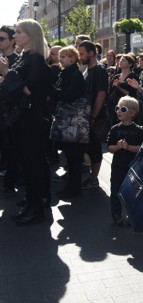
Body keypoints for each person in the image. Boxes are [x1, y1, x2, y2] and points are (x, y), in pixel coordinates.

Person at [0, 19, 54, 225]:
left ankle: (36, 208)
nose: (15, 36)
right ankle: (34, 202)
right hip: (25, 119)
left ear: (30, 35)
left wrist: (7, 74)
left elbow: (33, 92)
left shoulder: (35, 60)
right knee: (30, 162)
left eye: (19, 32)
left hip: (32, 119)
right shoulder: (27, 58)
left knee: (33, 163)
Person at [48, 45, 87, 199]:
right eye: (60, 57)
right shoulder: (67, 72)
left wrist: (50, 90)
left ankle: (74, 189)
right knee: (70, 157)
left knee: (74, 157)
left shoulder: (74, 74)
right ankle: (71, 187)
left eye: (63, 57)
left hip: (72, 120)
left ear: (72, 58)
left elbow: (69, 95)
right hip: (68, 120)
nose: (60, 59)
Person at [106, 96, 143, 225]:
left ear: (132, 113)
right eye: (117, 108)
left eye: (123, 109)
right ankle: (116, 214)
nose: (118, 111)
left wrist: (127, 147)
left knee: (132, 192)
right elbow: (109, 148)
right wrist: (118, 146)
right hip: (117, 166)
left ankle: (130, 215)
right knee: (115, 190)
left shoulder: (138, 130)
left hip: (133, 167)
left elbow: (141, 149)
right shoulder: (114, 129)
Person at [77, 40, 108, 190]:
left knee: (95, 148)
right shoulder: (87, 69)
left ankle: (94, 179)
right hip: (86, 116)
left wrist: (93, 117)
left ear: (91, 53)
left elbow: (101, 95)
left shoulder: (100, 70)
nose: (79, 56)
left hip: (96, 117)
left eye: (81, 53)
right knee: (88, 147)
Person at [0, 25, 20, 200]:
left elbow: (18, 92)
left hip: (11, 116)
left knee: (11, 151)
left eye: (1, 39)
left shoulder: (17, 61)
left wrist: (5, 76)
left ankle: (10, 183)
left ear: (12, 41)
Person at [106, 54, 139, 123]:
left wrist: (119, 86)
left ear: (130, 64)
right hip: (114, 107)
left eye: (123, 60)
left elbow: (131, 94)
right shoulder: (116, 76)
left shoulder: (133, 76)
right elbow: (110, 91)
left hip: (126, 108)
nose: (120, 62)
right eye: (120, 60)